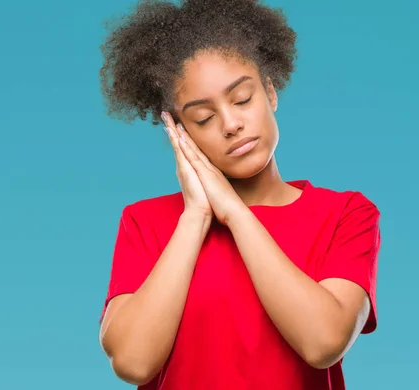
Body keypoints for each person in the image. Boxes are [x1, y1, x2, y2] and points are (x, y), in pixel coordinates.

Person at [97, 0, 381, 389]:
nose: (231, 124)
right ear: (179, 132)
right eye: (203, 118)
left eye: (242, 99)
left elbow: (323, 343)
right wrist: (196, 216)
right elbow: (132, 362)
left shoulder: (345, 213)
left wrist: (233, 211)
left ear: (270, 92)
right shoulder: (145, 222)